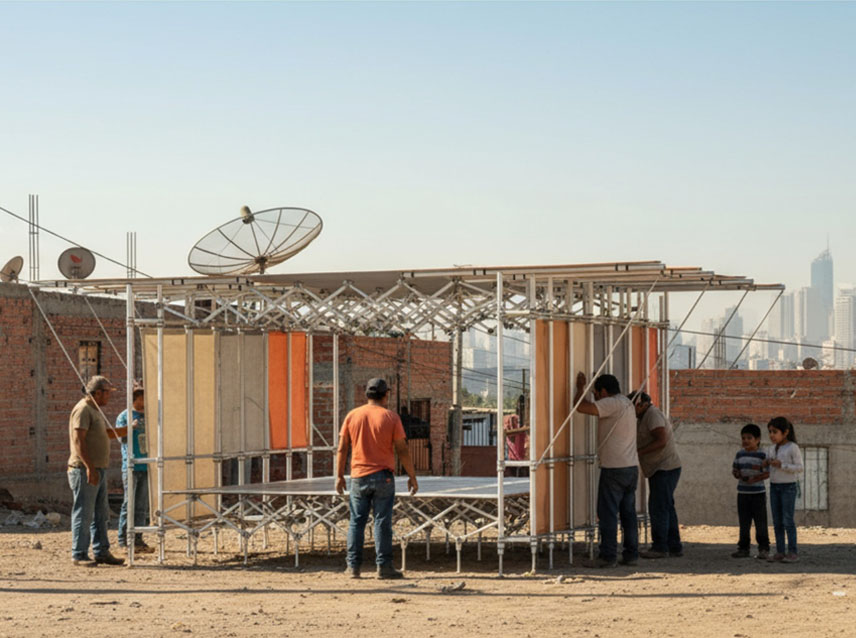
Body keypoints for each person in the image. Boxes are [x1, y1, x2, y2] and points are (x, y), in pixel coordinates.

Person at [336, 378, 419, 579]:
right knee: (382, 522)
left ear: (367, 394)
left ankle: (353, 567)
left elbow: (342, 448)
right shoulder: (391, 417)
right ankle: (384, 567)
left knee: (356, 521)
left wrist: (339, 476)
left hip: (358, 477)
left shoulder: (352, 416)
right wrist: (412, 476)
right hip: (384, 477)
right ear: (386, 395)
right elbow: (402, 449)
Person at [574, 372, 638, 567]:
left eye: (596, 393)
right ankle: (631, 554)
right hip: (630, 467)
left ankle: (608, 556)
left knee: (608, 514)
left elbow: (581, 407)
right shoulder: (626, 403)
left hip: (614, 468)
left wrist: (580, 388)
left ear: (603, 391)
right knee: (628, 515)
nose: (595, 397)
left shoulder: (612, 403)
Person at [67, 376, 124, 566]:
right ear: (97, 392)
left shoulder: (95, 410)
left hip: (98, 468)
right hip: (84, 469)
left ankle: (101, 551)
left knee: (101, 513)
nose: (109, 396)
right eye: (107, 392)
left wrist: (127, 430)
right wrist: (90, 467)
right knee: (84, 513)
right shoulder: (83, 409)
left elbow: (104, 433)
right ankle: (79, 554)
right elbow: (78, 440)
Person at [630, 390, 683, 559]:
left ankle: (660, 547)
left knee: (658, 507)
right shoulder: (644, 417)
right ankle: (673, 546)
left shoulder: (652, 415)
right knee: (666, 506)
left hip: (664, 468)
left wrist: (639, 452)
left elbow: (661, 440)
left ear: (641, 405)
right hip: (662, 468)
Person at [116, 387, 153, 553]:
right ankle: (123, 540)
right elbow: (121, 439)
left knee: (141, 505)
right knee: (128, 503)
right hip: (131, 466)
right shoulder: (124, 416)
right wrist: (130, 427)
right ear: (136, 399)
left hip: (146, 465)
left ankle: (138, 539)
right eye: (143, 398)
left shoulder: (150, 415)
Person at [763, 416, 803, 563]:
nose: (772, 435)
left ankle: (792, 552)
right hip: (774, 487)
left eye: (775, 432)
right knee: (777, 521)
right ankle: (780, 551)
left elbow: (799, 468)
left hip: (788, 487)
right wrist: (766, 463)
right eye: (770, 432)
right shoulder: (771, 448)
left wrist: (782, 465)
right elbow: (768, 468)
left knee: (788, 520)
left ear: (785, 432)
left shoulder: (792, 447)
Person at [731, 423, 770, 559]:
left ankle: (763, 548)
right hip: (743, 494)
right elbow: (735, 469)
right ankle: (743, 548)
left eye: (749, 438)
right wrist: (737, 474)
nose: (746, 441)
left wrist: (754, 479)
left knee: (760, 522)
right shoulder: (739, 454)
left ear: (757, 439)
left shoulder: (762, 455)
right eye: (743, 438)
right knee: (744, 522)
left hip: (758, 494)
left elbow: (767, 473)